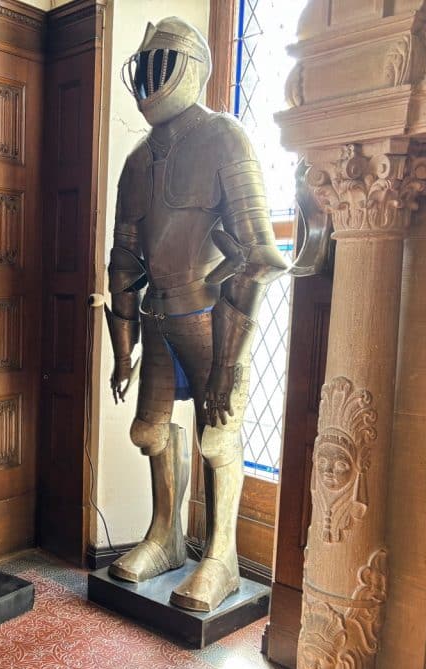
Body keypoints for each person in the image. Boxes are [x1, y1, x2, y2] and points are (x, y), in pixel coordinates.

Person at [105, 17, 290, 611]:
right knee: (151, 431)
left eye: (163, 62)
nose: (151, 76)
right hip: (157, 317)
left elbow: (258, 256)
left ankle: (222, 555)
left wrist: (230, 363)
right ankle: (165, 536)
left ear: (191, 69)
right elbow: (124, 261)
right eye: (146, 64)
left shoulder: (225, 138)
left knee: (218, 436)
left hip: (213, 317)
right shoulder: (138, 159)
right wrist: (123, 351)